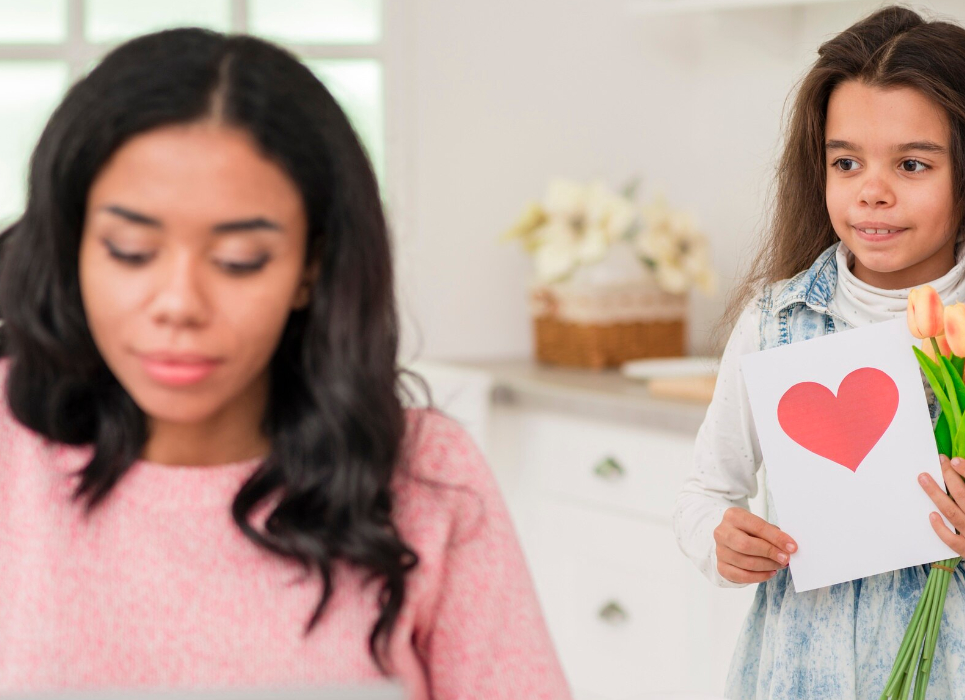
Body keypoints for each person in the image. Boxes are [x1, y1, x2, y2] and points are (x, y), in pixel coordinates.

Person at [0, 28, 570, 700]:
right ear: (73, 248)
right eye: (130, 250)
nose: (179, 304)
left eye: (239, 261)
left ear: (310, 268)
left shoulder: (427, 473)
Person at [672, 6, 965, 698]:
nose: (872, 191)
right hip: (804, 674)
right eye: (846, 162)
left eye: (912, 164)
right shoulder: (775, 323)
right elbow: (704, 493)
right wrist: (719, 540)